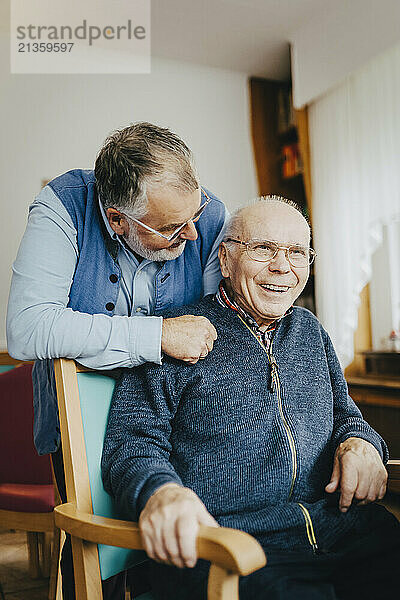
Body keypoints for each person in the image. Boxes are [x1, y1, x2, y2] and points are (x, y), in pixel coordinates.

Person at [102, 197, 399, 600]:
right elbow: (131, 444)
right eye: (264, 248)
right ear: (226, 259)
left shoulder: (309, 330)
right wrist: (162, 492)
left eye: (297, 252)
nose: (283, 266)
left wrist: (361, 442)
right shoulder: (176, 333)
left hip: (334, 530)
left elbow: (345, 415)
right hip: (227, 544)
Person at [6, 122, 228, 599]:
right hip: (78, 426)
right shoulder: (63, 205)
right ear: (117, 219)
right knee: (95, 555)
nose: (192, 233)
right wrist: (158, 335)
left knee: (172, 555)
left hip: (174, 422)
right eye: (170, 228)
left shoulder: (204, 216)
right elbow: (27, 329)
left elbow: (218, 331)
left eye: (196, 213)